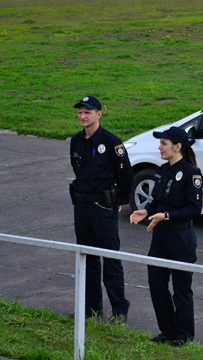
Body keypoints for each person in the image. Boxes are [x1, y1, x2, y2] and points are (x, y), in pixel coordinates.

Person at [129, 126, 203, 347]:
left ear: (177, 146)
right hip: (160, 237)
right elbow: (157, 200)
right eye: (160, 143)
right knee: (157, 284)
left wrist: (167, 215)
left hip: (181, 237)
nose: (159, 147)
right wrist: (147, 210)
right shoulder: (163, 169)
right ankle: (167, 330)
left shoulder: (191, 173)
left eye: (164, 143)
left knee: (181, 288)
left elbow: (195, 209)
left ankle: (183, 335)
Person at [69, 95, 133, 323]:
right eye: (80, 112)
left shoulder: (112, 143)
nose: (83, 116)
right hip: (83, 207)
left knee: (110, 258)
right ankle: (91, 309)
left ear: (99, 114)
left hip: (104, 208)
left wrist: (118, 202)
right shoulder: (76, 141)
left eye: (88, 112)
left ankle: (119, 310)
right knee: (87, 259)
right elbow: (79, 171)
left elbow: (126, 177)